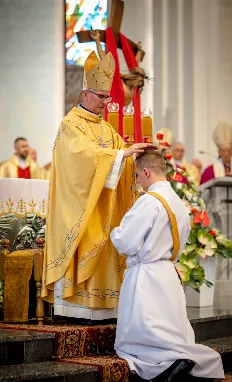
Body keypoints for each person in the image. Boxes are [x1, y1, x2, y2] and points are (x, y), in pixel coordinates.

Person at [42, 50, 156, 323]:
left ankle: (105, 309)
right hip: (79, 208)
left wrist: (136, 157)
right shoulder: (70, 125)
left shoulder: (107, 129)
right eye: (101, 96)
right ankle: (76, 309)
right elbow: (79, 162)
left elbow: (121, 158)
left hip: (103, 208)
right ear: (85, 94)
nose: (107, 102)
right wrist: (120, 156)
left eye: (108, 97)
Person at [111, 151, 224, 382]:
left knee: (143, 339)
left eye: (137, 175)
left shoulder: (149, 201)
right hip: (168, 275)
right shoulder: (179, 203)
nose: (137, 181)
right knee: (169, 333)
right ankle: (190, 366)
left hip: (147, 277)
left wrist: (113, 231)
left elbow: (126, 241)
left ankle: (165, 369)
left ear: (146, 172)